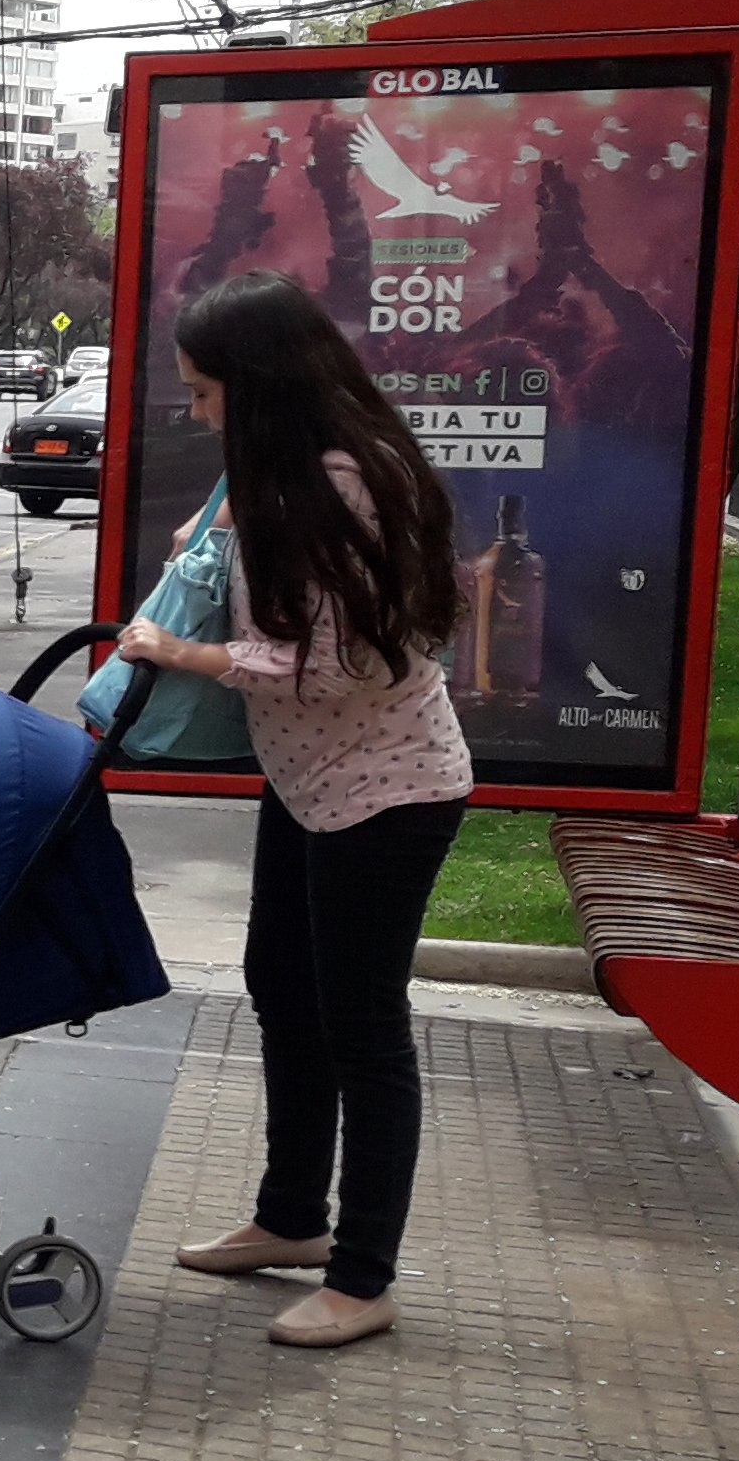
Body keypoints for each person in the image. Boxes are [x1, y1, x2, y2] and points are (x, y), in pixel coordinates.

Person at [115, 272, 473, 1349]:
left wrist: (179, 649)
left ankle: (364, 1277)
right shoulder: (286, 476)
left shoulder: (346, 483)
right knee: (283, 985)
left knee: (364, 1027)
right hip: (313, 783)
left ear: (262, 387)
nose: (200, 412)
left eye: (210, 394)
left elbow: (329, 667)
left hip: (389, 790)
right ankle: (289, 1219)